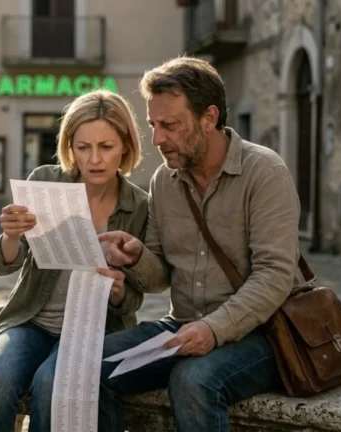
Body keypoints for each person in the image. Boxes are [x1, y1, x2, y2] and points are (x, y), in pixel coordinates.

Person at [94, 56, 305, 431]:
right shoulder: (164, 180)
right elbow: (159, 277)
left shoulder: (265, 172)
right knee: (86, 364)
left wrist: (213, 329)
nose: (157, 139)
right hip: (183, 326)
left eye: (170, 125)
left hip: (262, 334)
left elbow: (274, 276)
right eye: (153, 125)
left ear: (209, 118)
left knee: (193, 379)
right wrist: (138, 255)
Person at [0, 89, 150, 432]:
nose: (94, 159)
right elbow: (4, 264)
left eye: (106, 147)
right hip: (30, 320)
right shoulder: (46, 181)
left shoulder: (139, 206)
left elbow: (138, 293)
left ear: (125, 145)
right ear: (70, 147)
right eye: (83, 147)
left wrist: (120, 290)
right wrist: (10, 236)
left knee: (50, 385)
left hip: (93, 330)